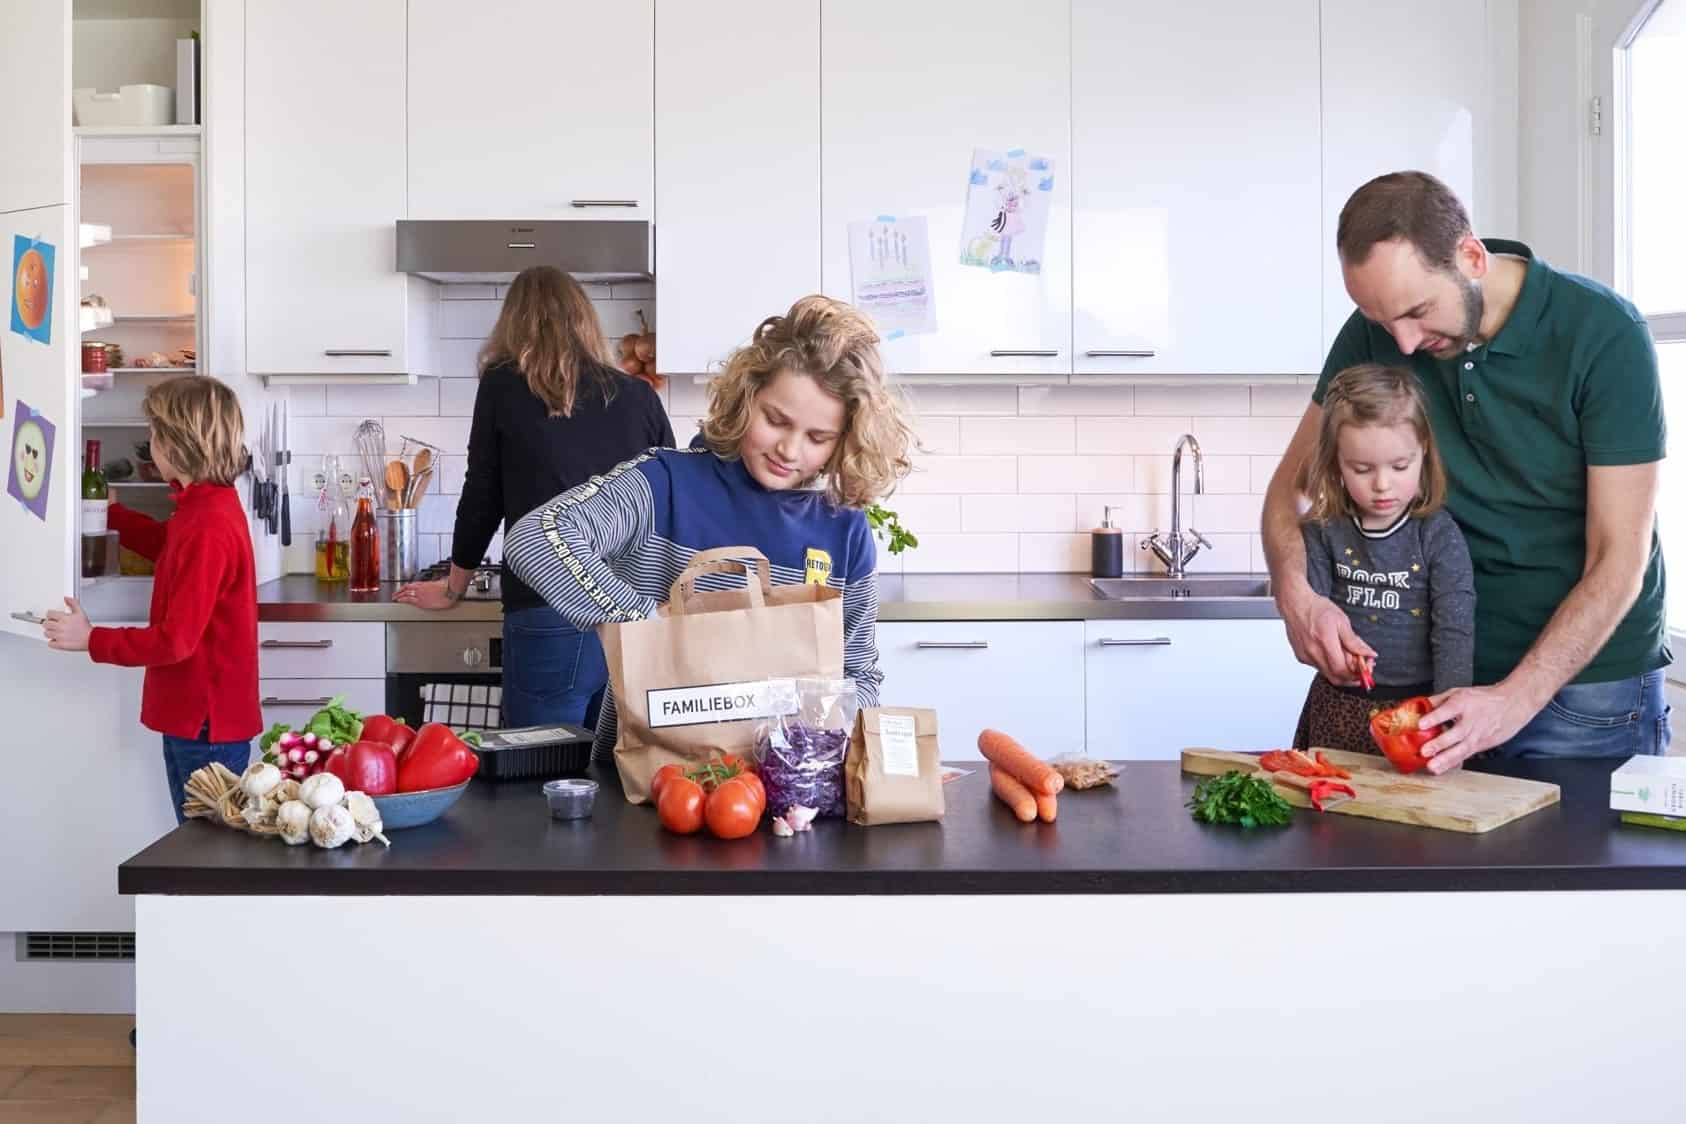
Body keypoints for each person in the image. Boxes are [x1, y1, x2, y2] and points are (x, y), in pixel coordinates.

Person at [1263, 170, 1669, 772]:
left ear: (1472, 257)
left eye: (1418, 312)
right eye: (1381, 319)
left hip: (1586, 694)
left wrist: (1514, 700)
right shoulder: (1378, 333)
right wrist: (1298, 597)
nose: (1400, 343)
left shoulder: (1604, 334)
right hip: (1442, 686)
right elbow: (1288, 496)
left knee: (1568, 869)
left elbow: (1619, 558)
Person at [502, 293, 915, 762]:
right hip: (650, 792)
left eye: (818, 437)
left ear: (845, 439)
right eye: (776, 420)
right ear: (746, 397)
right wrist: (652, 627)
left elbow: (859, 677)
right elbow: (538, 535)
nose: (789, 449)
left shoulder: (845, 529)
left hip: (787, 794)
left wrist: (827, 721)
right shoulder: (665, 482)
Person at [394, 266, 673, 729]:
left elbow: (483, 492)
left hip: (548, 604)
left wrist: (453, 587)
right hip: (631, 614)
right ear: (586, 320)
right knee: (621, 768)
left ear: (514, 322)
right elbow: (667, 500)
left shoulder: (504, 385)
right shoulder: (637, 396)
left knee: (541, 766)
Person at [42, 375, 259, 823]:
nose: (151, 444)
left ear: (178, 445)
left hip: (206, 724)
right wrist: (112, 512)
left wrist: (92, 639)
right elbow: (168, 546)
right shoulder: (204, 507)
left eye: (155, 435)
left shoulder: (208, 525)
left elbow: (175, 641)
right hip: (199, 719)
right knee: (199, 849)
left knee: (205, 855)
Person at [1290, 363, 1475, 754]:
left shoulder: (1439, 535)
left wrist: (1448, 720)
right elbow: (1313, 613)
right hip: (1338, 707)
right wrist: (1336, 652)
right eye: (1361, 469)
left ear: (1423, 453)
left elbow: (1454, 634)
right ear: (1335, 463)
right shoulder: (1323, 531)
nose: (1382, 484)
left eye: (1399, 466)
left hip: (1418, 713)